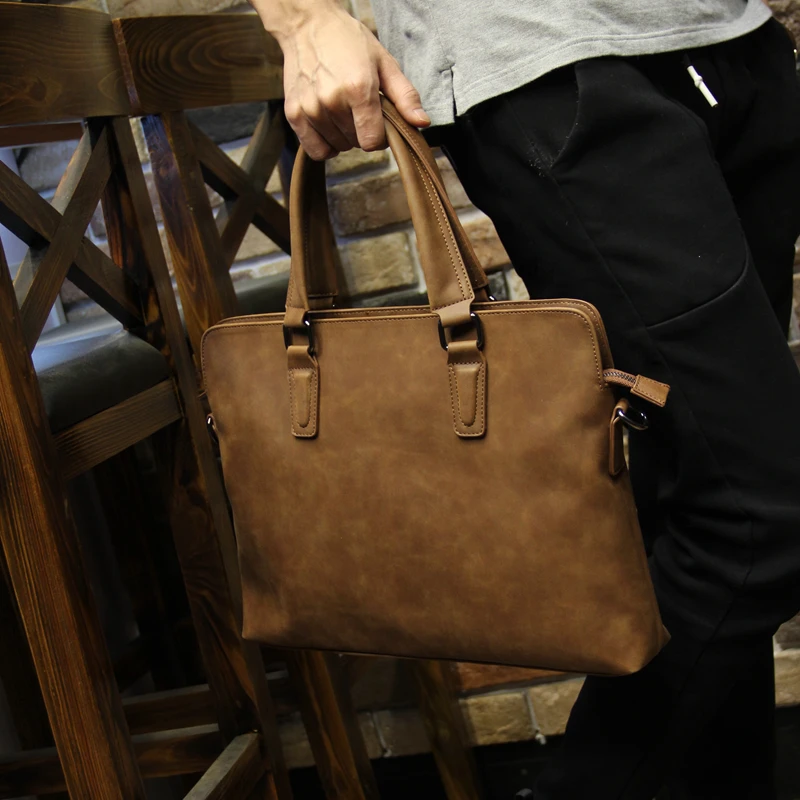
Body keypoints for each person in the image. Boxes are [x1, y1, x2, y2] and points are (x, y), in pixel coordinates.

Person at [249, 1, 800, 797]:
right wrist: (302, 20)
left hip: (733, 41)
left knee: (697, 501)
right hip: (545, 55)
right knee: (757, 517)